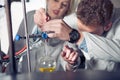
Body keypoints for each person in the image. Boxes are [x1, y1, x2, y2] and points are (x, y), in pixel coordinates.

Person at [40, 0, 120, 72]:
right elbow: (69, 53)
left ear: (107, 26)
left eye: (90, 33)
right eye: (79, 30)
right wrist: (72, 63)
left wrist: (77, 36)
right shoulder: (75, 18)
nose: (82, 33)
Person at [17, 0, 81, 72]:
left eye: (64, 4)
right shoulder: (29, 16)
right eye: (56, 0)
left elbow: (69, 64)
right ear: (47, 1)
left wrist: (71, 63)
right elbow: (15, 48)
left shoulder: (68, 28)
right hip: (26, 75)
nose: (59, 6)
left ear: (67, 10)